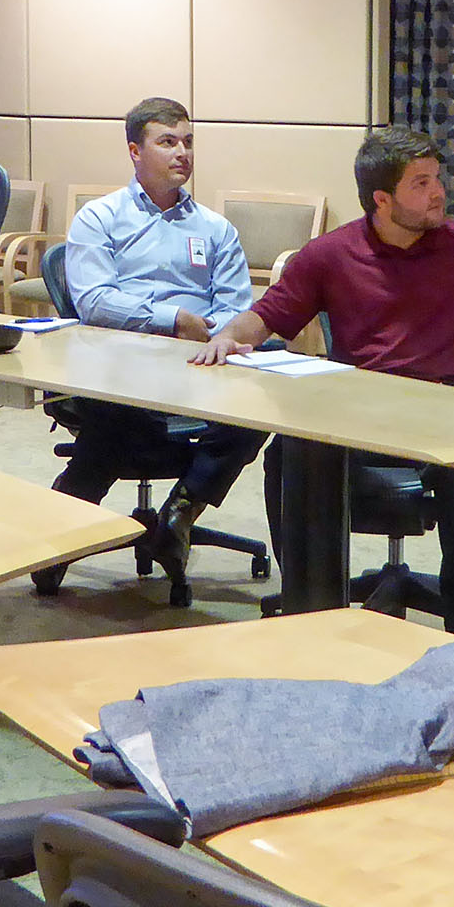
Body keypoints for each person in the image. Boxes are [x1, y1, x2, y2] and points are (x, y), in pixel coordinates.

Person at [191, 127, 454, 635]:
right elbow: (265, 317)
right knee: (287, 454)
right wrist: (227, 337)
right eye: (420, 184)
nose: (438, 192)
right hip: (356, 416)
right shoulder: (330, 254)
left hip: (441, 413)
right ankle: (307, 604)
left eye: (437, 179)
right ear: (382, 199)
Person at [37, 97, 266, 601]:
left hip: (200, 363)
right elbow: (94, 301)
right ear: (135, 151)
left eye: (187, 142)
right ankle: (61, 530)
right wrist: (172, 320)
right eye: (168, 142)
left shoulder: (215, 229)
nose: (181, 153)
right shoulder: (99, 219)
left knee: (261, 407)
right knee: (118, 420)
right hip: (119, 361)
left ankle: (181, 513)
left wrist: (224, 337)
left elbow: (234, 306)